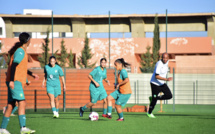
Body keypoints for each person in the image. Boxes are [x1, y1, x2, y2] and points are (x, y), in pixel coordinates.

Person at [0, 32, 39, 134]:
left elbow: (19, 68)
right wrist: (12, 81)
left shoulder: (20, 51)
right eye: (30, 39)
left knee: (11, 105)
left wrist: (31, 74)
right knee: (22, 102)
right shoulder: (21, 51)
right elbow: (13, 66)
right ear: (28, 40)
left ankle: (2, 129)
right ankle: (23, 128)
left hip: (13, 80)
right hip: (15, 81)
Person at [147, 53, 173, 118]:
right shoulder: (159, 64)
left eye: (166, 58)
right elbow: (156, 76)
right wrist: (166, 79)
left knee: (169, 95)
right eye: (163, 58)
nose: (165, 59)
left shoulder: (167, 62)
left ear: (168, 58)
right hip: (155, 84)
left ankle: (154, 98)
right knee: (154, 101)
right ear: (161, 57)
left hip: (161, 83)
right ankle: (149, 113)